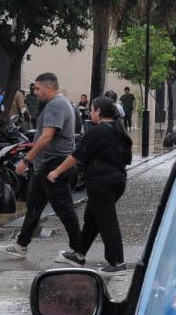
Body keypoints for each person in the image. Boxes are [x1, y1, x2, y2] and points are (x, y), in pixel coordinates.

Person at [0, 73, 81, 259]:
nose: (34, 92)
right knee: (34, 207)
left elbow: (46, 137)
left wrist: (26, 160)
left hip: (54, 163)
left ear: (48, 88)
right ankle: (21, 245)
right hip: (47, 165)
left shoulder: (56, 105)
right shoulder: (60, 103)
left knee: (64, 209)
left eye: (37, 88)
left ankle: (78, 251)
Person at [48, 96, 131, 275]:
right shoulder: (118, 130)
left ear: (98, 111)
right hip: (117, 181)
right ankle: (79, 254)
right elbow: (127, 158)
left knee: (107, 221)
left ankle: (117, 263)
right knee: (92, 217)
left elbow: (77, 155)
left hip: (102, 183)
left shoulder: (99, 130)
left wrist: (56, 171)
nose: (90, 113)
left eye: (92, 110)